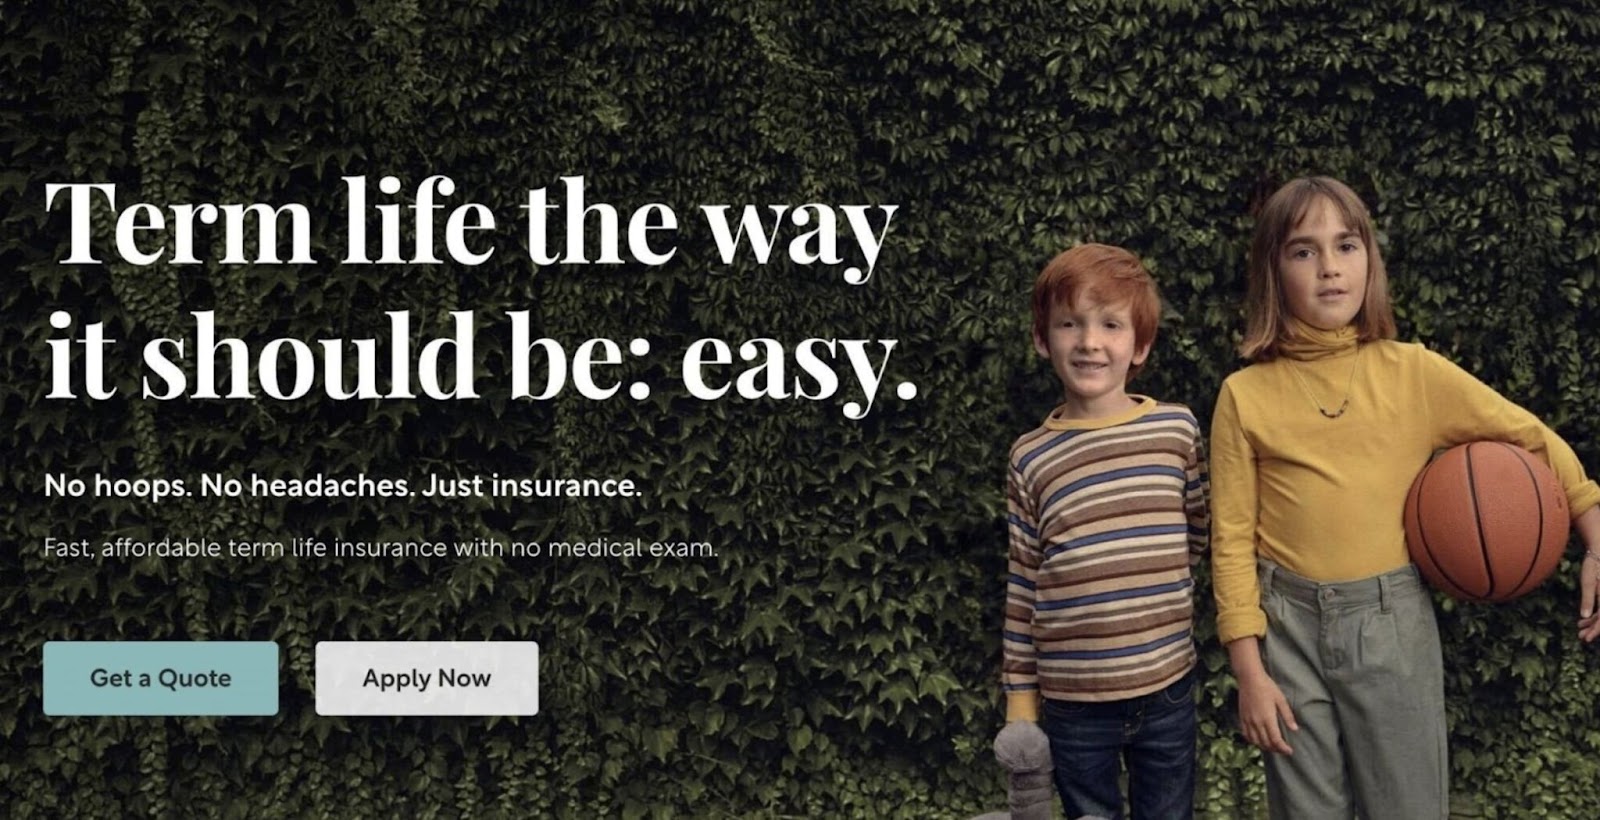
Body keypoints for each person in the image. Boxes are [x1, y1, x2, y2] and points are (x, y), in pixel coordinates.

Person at [1209, 176, 1600, 820]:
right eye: (1303, 251)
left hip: (1390, 623)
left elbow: (1530, 437)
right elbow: (1228, 542)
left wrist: (1593, 537)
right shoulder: (1244, 396)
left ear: (1371, 259)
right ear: (1272, 271)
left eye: (1347, 245)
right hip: (1286, 630)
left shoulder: (1413, 372)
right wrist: (1250, 672)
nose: (1330, 268)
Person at [999, 243, 1210, 820]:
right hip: (1071, 701)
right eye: (1070, 323)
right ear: (1043, 339)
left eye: (1110, 325)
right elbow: (1024, 586)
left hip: (1165, 684)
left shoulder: (1175, 430)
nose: (1090, 342)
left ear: (1139, 345)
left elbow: (1196, 537)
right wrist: (1022, 705)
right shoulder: (1030, 457)